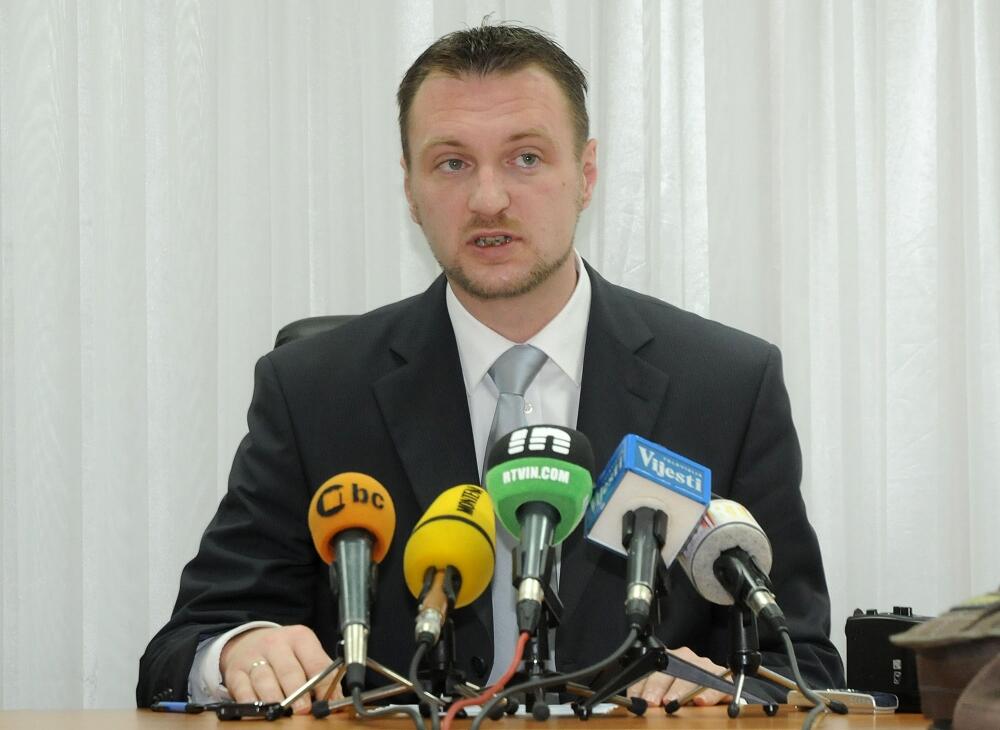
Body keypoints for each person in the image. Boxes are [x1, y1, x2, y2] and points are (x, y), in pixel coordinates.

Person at [137, 23, 844, 714]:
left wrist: (726, 688)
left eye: (525, 158)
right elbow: (181, 649)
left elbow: (804, 664)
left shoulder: (725, 386)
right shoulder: (314, 391)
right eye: (451, 163)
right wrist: (236, 651)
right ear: (410, 189)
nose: (488, 199)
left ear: (586, 174)